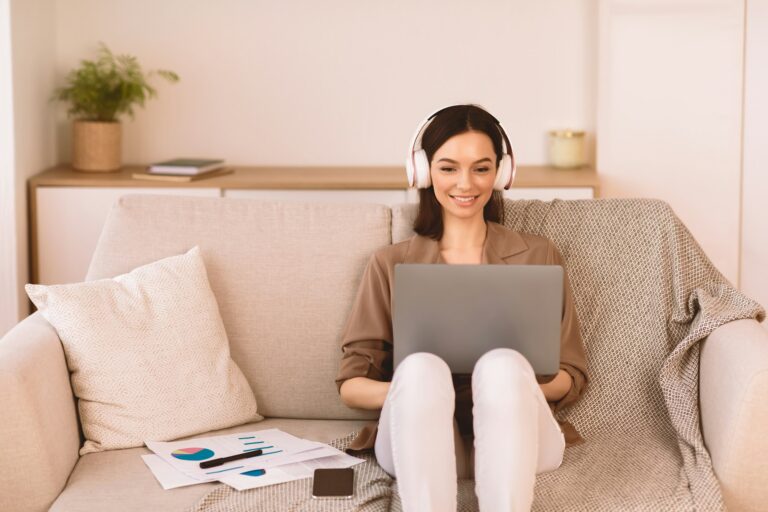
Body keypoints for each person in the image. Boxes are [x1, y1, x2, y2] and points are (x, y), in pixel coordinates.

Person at [334, 104, 589, 512]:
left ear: (501, 174)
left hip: (520, 437)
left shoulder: (539, 254)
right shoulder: (390, 263)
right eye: (449, 168)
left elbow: (570, 374)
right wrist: (425, 395)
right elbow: (351, 386)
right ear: (422, 171)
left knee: (502, 365)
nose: (465, 183)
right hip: (419, 437)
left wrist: (504, 393)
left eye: (481, 168)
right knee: (420, 369)